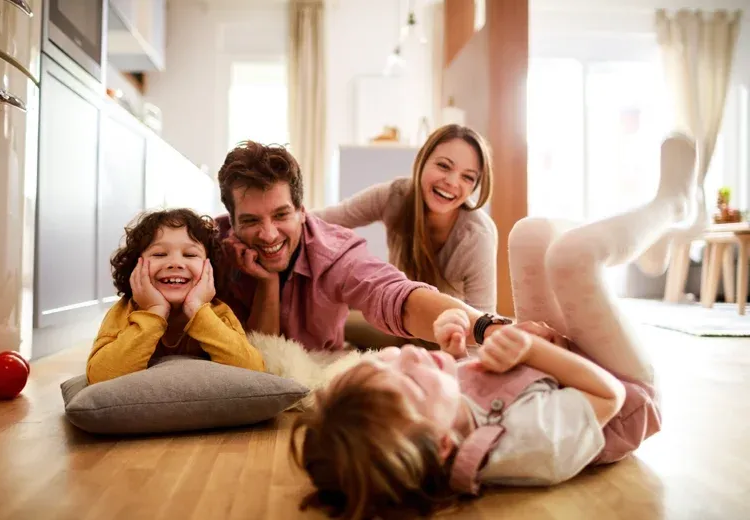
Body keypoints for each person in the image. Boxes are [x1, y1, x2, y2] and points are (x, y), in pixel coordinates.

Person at [289, 133, 697, 520]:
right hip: (626, 393)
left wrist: (457, 350)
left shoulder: (438, 411)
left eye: (390, 362)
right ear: (445, 444)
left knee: (529, 234)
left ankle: (646, 235)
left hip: (556, 364)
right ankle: (674, 206)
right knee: (573, 257)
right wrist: (530, 349)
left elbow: (482, 337)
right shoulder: (526, 445)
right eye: (444, 166)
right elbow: (607, 395)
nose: (409, 353)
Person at [215, 141, 545, 355]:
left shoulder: (337, 255)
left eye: (281, 214)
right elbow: (340, 214)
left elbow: (394, 294)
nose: (268, 233)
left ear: (302, 212)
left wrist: (487, 327)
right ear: (232, 221)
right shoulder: (213, 244)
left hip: (445, 323)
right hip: (401, 329)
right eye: (251, 221)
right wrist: (267, 282)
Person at [313, 124, 497, 349]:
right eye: (443, 166)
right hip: (398, 322)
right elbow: (323, 220)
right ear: (422, 161)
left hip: (445, 339)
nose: (452, 182)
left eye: (467, 178)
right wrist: (278, 220)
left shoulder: (477, 236)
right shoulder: (395, 196)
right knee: (321, 324)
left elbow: (483, 327)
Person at [86, 208, 265, 384]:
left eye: (190, 254)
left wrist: (197, 310)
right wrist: (155, 312)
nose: (175, 263)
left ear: (209, 269)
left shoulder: (219, 313)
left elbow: (253, 371)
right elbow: (99, 376)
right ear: (136, 267)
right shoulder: (123, 312)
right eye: (159, 254)